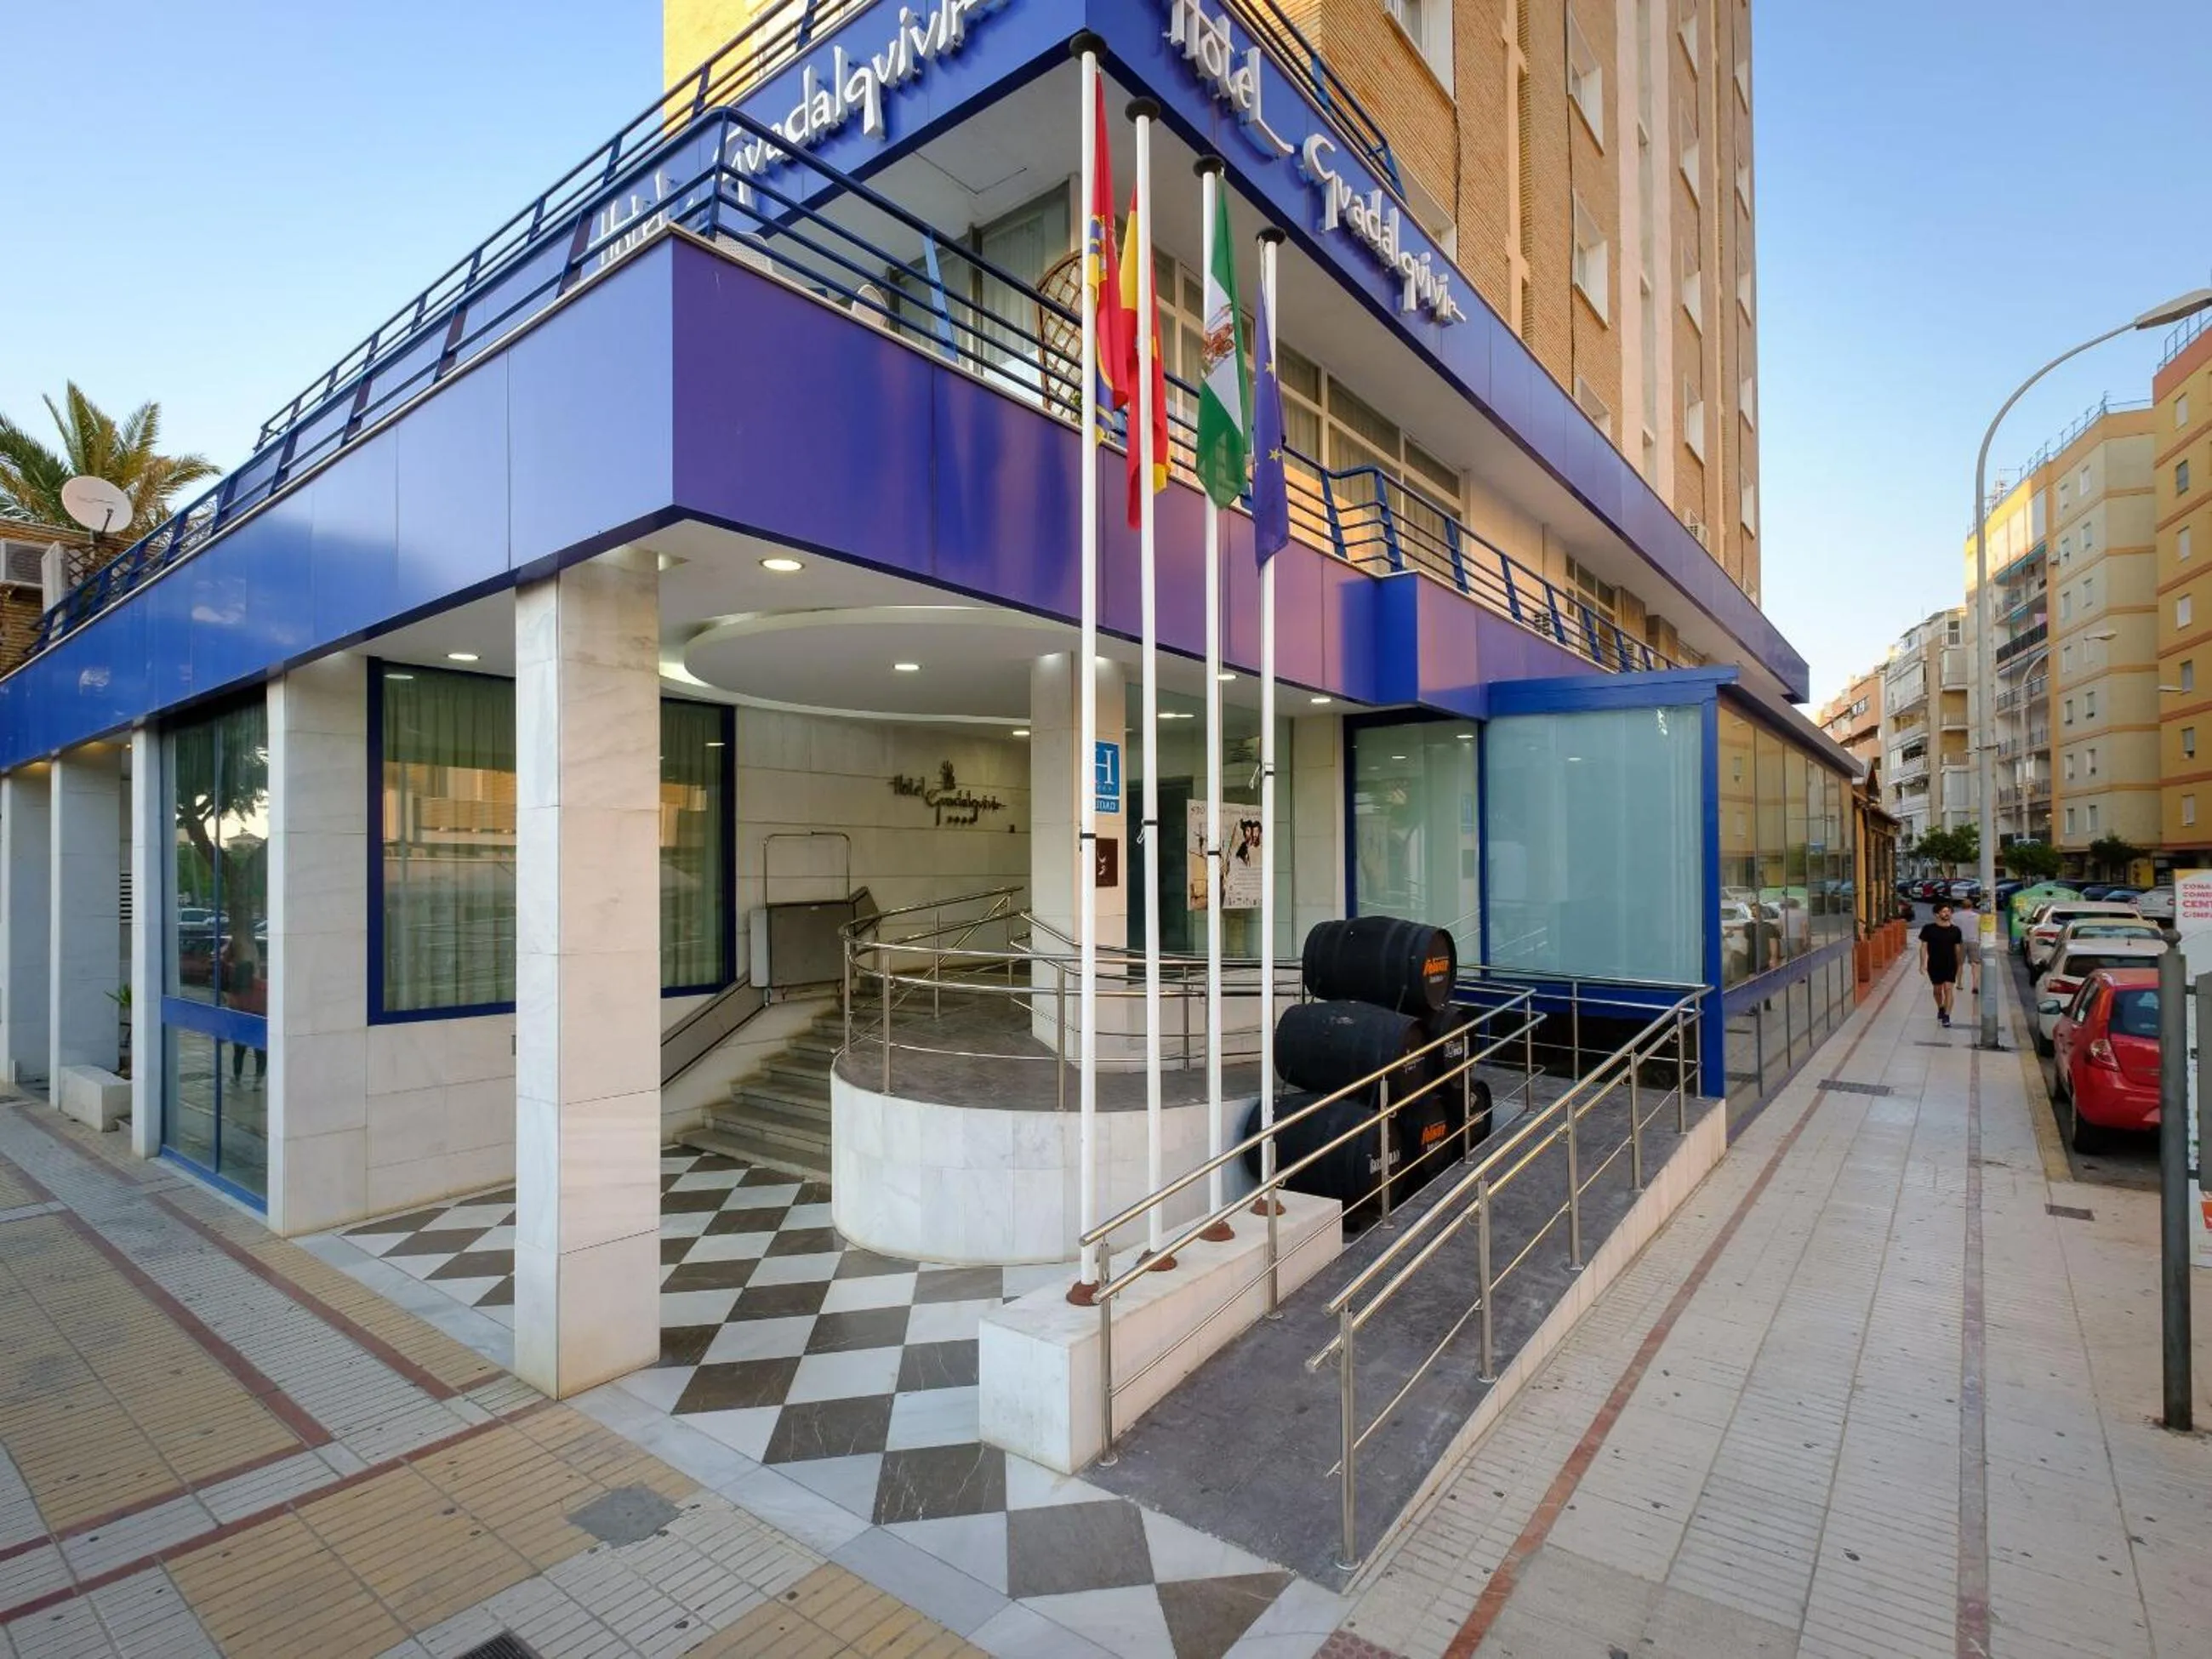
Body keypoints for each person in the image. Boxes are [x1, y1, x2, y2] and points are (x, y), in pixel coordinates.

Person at [1918, 902, 1973, 1028]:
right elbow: (1923, 947)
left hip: (1950, 964)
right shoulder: (1928, 929)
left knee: (1948, 989)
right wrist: (1922, 964)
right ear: (1937, 914)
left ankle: (1947, 1016)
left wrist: (1960, 964)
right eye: (1944, 911)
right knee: (1937, 991)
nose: (1947, 913)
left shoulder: (1956, 931)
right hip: (1934, 964)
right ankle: (1941, 1007)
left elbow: (1958, 949)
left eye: (1949, 911)